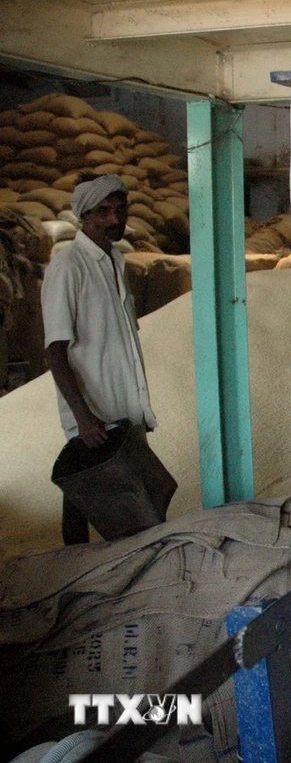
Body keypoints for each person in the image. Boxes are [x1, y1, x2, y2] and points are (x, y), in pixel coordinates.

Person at [42, 174, 159, 544]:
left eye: (120, 210)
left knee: (104, 494)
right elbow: (55, 351)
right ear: (84, 215)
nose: (114, 219)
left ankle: (111, 567)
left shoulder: (115, 261)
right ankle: (76, 572)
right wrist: (83, 418)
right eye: (103, 211)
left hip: (121, 402)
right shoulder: (67, 266)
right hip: (92, 411)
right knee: (83, 495)